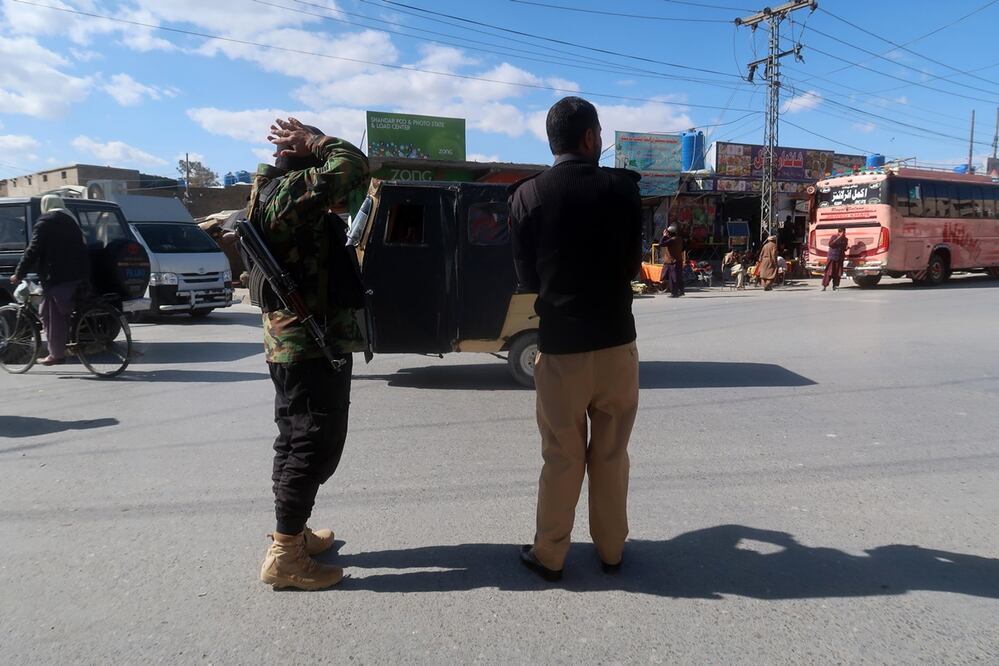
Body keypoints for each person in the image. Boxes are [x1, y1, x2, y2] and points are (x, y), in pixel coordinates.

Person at [510, 96, 642, 581]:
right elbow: (633, 265)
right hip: (616, 345)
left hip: (561, 349)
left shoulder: (526, 196)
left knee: (562, 457)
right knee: (611, 455)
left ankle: (550, 555)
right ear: (590, 138)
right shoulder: (624, 191)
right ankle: (611, 550)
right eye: (600, 132)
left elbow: (525, 278)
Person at [248, 117, 369, 591]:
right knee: (310, 444)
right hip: (306, 343)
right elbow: (353, 166)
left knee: (295, 439)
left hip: (299, 342)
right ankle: (285, 556)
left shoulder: (275, 193)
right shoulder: (289, 192)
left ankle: (293, 534)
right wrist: (317, 141)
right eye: (314, 152)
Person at [9, 195, 89, 365]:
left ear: (46, 206)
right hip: (78, 275)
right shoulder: (71, 221)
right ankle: (66, 343)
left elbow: (33, 250)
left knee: (49, 315)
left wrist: (19, 273)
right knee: (63, 313)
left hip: (57, 277)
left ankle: (56, 354)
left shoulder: (45, 222)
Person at [659, 225, 684, 297]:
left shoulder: (672, 240)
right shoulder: (679, 239)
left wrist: (664, 236)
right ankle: (681, 290)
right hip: (677, 260)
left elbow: (661, 244)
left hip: (672, 262)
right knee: (678, 277)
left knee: (673, 278)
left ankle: (674, 292)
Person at [823, 227, 849, 291]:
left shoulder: (845, 239)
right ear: (839, 232)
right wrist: (838, 238)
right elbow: (830, 244)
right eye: (842, 232)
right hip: (832, 257)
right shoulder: (834, 237)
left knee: (838, 273)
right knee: (829, 272)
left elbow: (844, 249)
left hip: (840, 258)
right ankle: (824, 286)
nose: (844, 234)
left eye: (844, 232)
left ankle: (835, 286)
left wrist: (847, 248)